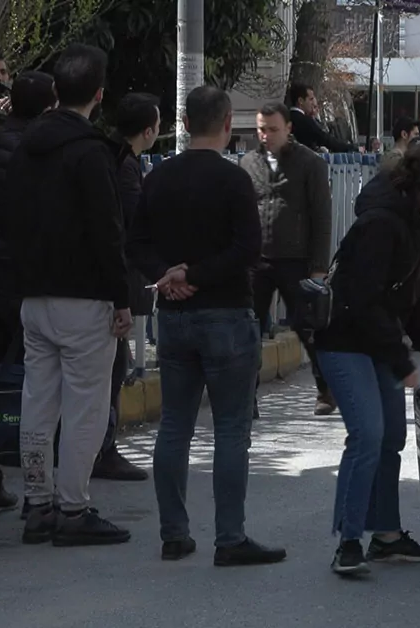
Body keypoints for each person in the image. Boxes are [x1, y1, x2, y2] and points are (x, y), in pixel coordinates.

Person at [127, 86, 286, 566]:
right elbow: (247, 250)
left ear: (183, 122)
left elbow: (135, 243)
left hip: (174, 317)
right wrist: (193, 275)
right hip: (226, 315)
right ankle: (229, 536)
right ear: (225, 125)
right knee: (231, 429)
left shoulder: (158, 177)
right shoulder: (234, 180)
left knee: (174, 424)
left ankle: (174, 533)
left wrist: (167, 275)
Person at [6, 44, 132, 547]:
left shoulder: (24, 148)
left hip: (33, 296)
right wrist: (121, 298)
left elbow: (8, 219)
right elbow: (107, 232)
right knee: (85, 406)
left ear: (55, 90)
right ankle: (73, 509)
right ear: (99, 95)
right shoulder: (90, 153)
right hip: (84, 298)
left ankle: (36, 502)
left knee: (38, 400)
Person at [313, 141, 420, 577]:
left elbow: (411, 301)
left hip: (376, 341)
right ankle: (349, 541)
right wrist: (402, 362)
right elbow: (363, 301)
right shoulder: (382, 223)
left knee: (392, 436)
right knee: (368, 435)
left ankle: (387, 535)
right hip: (343, 340)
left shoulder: (419, 222)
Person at [0, 70, 57, 517]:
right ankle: (39, 486)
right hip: (29, 280)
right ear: (48, 108)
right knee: (38, 384)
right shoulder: (37, 153)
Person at [241, 102, 335, 416]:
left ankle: (326, 389)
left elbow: (322, 217)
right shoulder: (249, 163)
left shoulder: (310, 163)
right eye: (261, 129)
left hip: (297, 260)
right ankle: (246, 396)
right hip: (258, 261)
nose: (265, 135)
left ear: (288, 129)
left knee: (307, 328)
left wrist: (319, 268)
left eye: (272, 129)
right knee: (247, 329)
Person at [90, 92, 161, 482]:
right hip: (109, 281)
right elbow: (132, 222)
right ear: (148, 130)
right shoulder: (125, 166)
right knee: (110, 368)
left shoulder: (110, 156)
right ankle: (103, 448)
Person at [287, 82, 355, 153]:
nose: (313, 103)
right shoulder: (305, 121)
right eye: (311, 99)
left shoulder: (285, 117)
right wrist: (350, 147)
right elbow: (324, 139)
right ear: (300, 101)